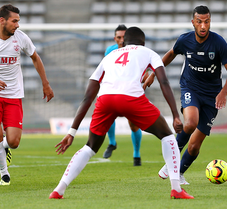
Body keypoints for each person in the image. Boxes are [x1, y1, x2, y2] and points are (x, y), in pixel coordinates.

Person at [49, 27, 194, 199]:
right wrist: (175, 115)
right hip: (131, 98)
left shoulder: (109, 56)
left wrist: (71, 132)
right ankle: (176, 189)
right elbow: (163, 81)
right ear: (143, 42)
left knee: (90, 146)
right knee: (167, 136)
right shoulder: (148, 52)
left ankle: (59, 189)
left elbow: (88, 97)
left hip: (105, 100)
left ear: (123, 42)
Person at [143, 5, 227, 185]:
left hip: (212, 95)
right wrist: (153, 73)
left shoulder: (218, 43)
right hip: (190, 87)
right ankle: (171, 160)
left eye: (207, 21)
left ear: (210, 22)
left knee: (194, 146)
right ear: (193, 22)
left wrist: (223, 93)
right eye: (199, 22)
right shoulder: (184, 40)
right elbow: (171, 54)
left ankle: (178, 172)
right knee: (191, 122)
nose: (203, 26)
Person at [0, 4, 54, 185]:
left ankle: (5, 148)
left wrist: (45, 84)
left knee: (13, 141)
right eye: (14, 21)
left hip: (13, 95)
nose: (17, 25)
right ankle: (3, 173)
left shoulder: (21, 38)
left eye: (18, 21)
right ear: (2, 21)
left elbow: (35, 58)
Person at [102, 24, 143, 166]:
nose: (121, 40)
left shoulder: (136, 51)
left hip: (131, 90)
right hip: (114, 90)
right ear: (115, 38)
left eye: (124, 37)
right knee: (108, 113)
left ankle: (136, 155)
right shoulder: (110, 51)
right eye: (118, 37)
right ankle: (112, 142)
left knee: (133, 125)